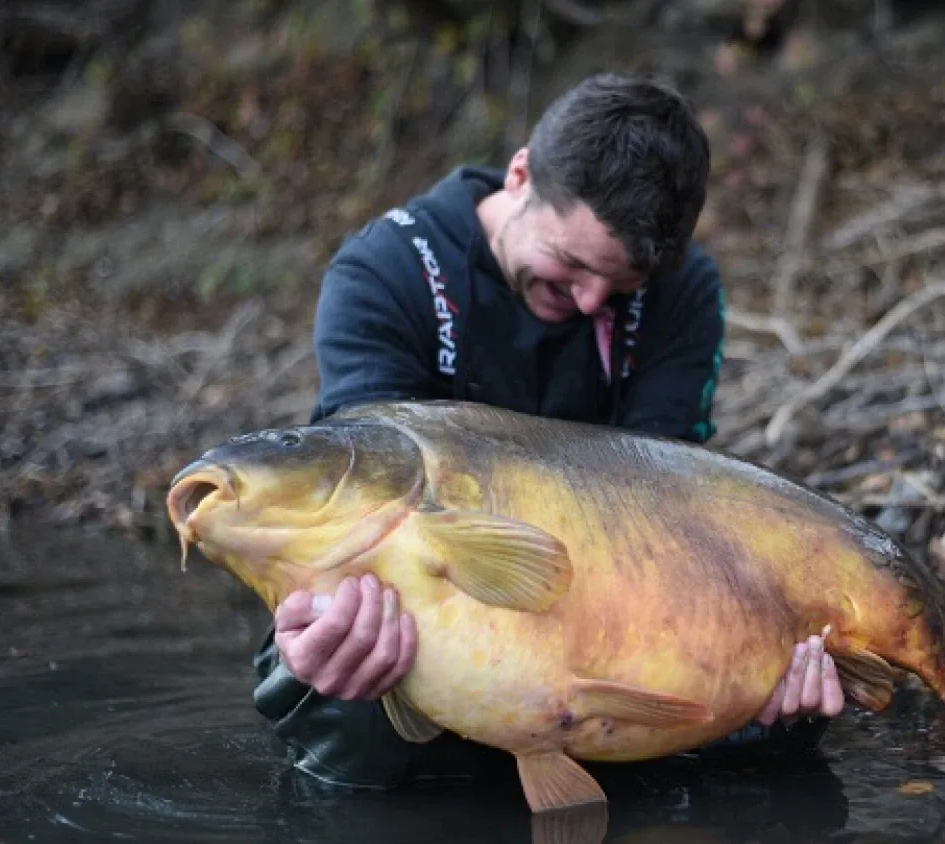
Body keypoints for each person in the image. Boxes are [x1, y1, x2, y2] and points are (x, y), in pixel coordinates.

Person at [249, 71, 846, 790]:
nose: (592, 300)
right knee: (348, 696)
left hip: (607, 613)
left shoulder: (683, 291)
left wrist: (747, 665)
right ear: (521, 174)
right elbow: (359, 505)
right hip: (429, 605)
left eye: (618, 287)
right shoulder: (385, 271)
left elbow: (676, 515)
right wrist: (316, 625)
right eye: (569, 265)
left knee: (776, 722)